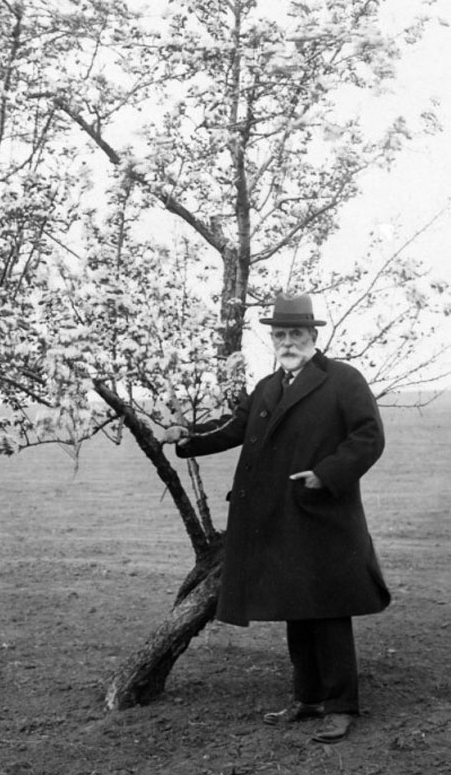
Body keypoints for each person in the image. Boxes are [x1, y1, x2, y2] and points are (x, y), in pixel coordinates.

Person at [163, 293, 390, 744]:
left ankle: (342, 707)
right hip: (279, 518)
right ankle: (307, 699)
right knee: (296, 610)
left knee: (328, 612)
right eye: (280, 335)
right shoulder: (268, 386)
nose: (287, 342)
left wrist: (326, 475)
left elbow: (369, 437)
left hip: (324, 516)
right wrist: (187, 442)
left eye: (295, 334)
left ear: (313, 336)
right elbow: (233, 431)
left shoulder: (343, 379)